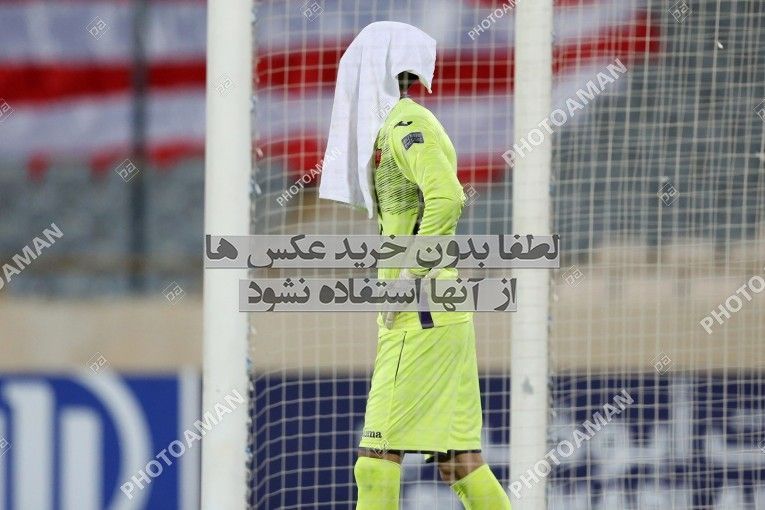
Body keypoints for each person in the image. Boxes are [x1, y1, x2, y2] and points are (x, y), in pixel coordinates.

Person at [319, 22, 511, 510]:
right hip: (438, 313)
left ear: (380, 69)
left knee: (375, 460)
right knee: (460, 463)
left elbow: (447, 196)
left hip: (421, 312)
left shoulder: (407, 125)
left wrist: (408, 277)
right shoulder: (397, 125)